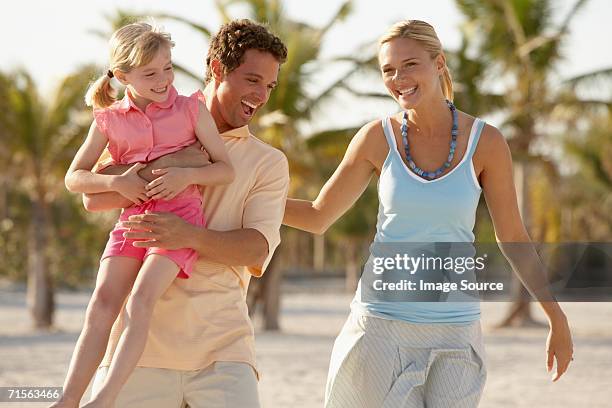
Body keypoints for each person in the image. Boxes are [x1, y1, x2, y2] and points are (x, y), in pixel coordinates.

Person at [283, 20, 574, 407]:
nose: (398, 78)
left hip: (456, 331)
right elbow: (319, 215)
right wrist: (243, 197)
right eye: (388, 70)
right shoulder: (375, 137)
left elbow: (513, 237)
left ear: (439, 64)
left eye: (410, 65)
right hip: (381, 326)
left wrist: (557, 317)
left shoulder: (486, 142)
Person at [55, 19, 288, 408]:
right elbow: (93, 196)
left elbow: (254, 250)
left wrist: (186, 234)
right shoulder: (145, 121)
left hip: (223, 354)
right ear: (217, 69)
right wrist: (174, 160)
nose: (262, 95)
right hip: (139, 358)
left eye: (270, 85)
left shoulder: (269, 162)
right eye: (253, 80)